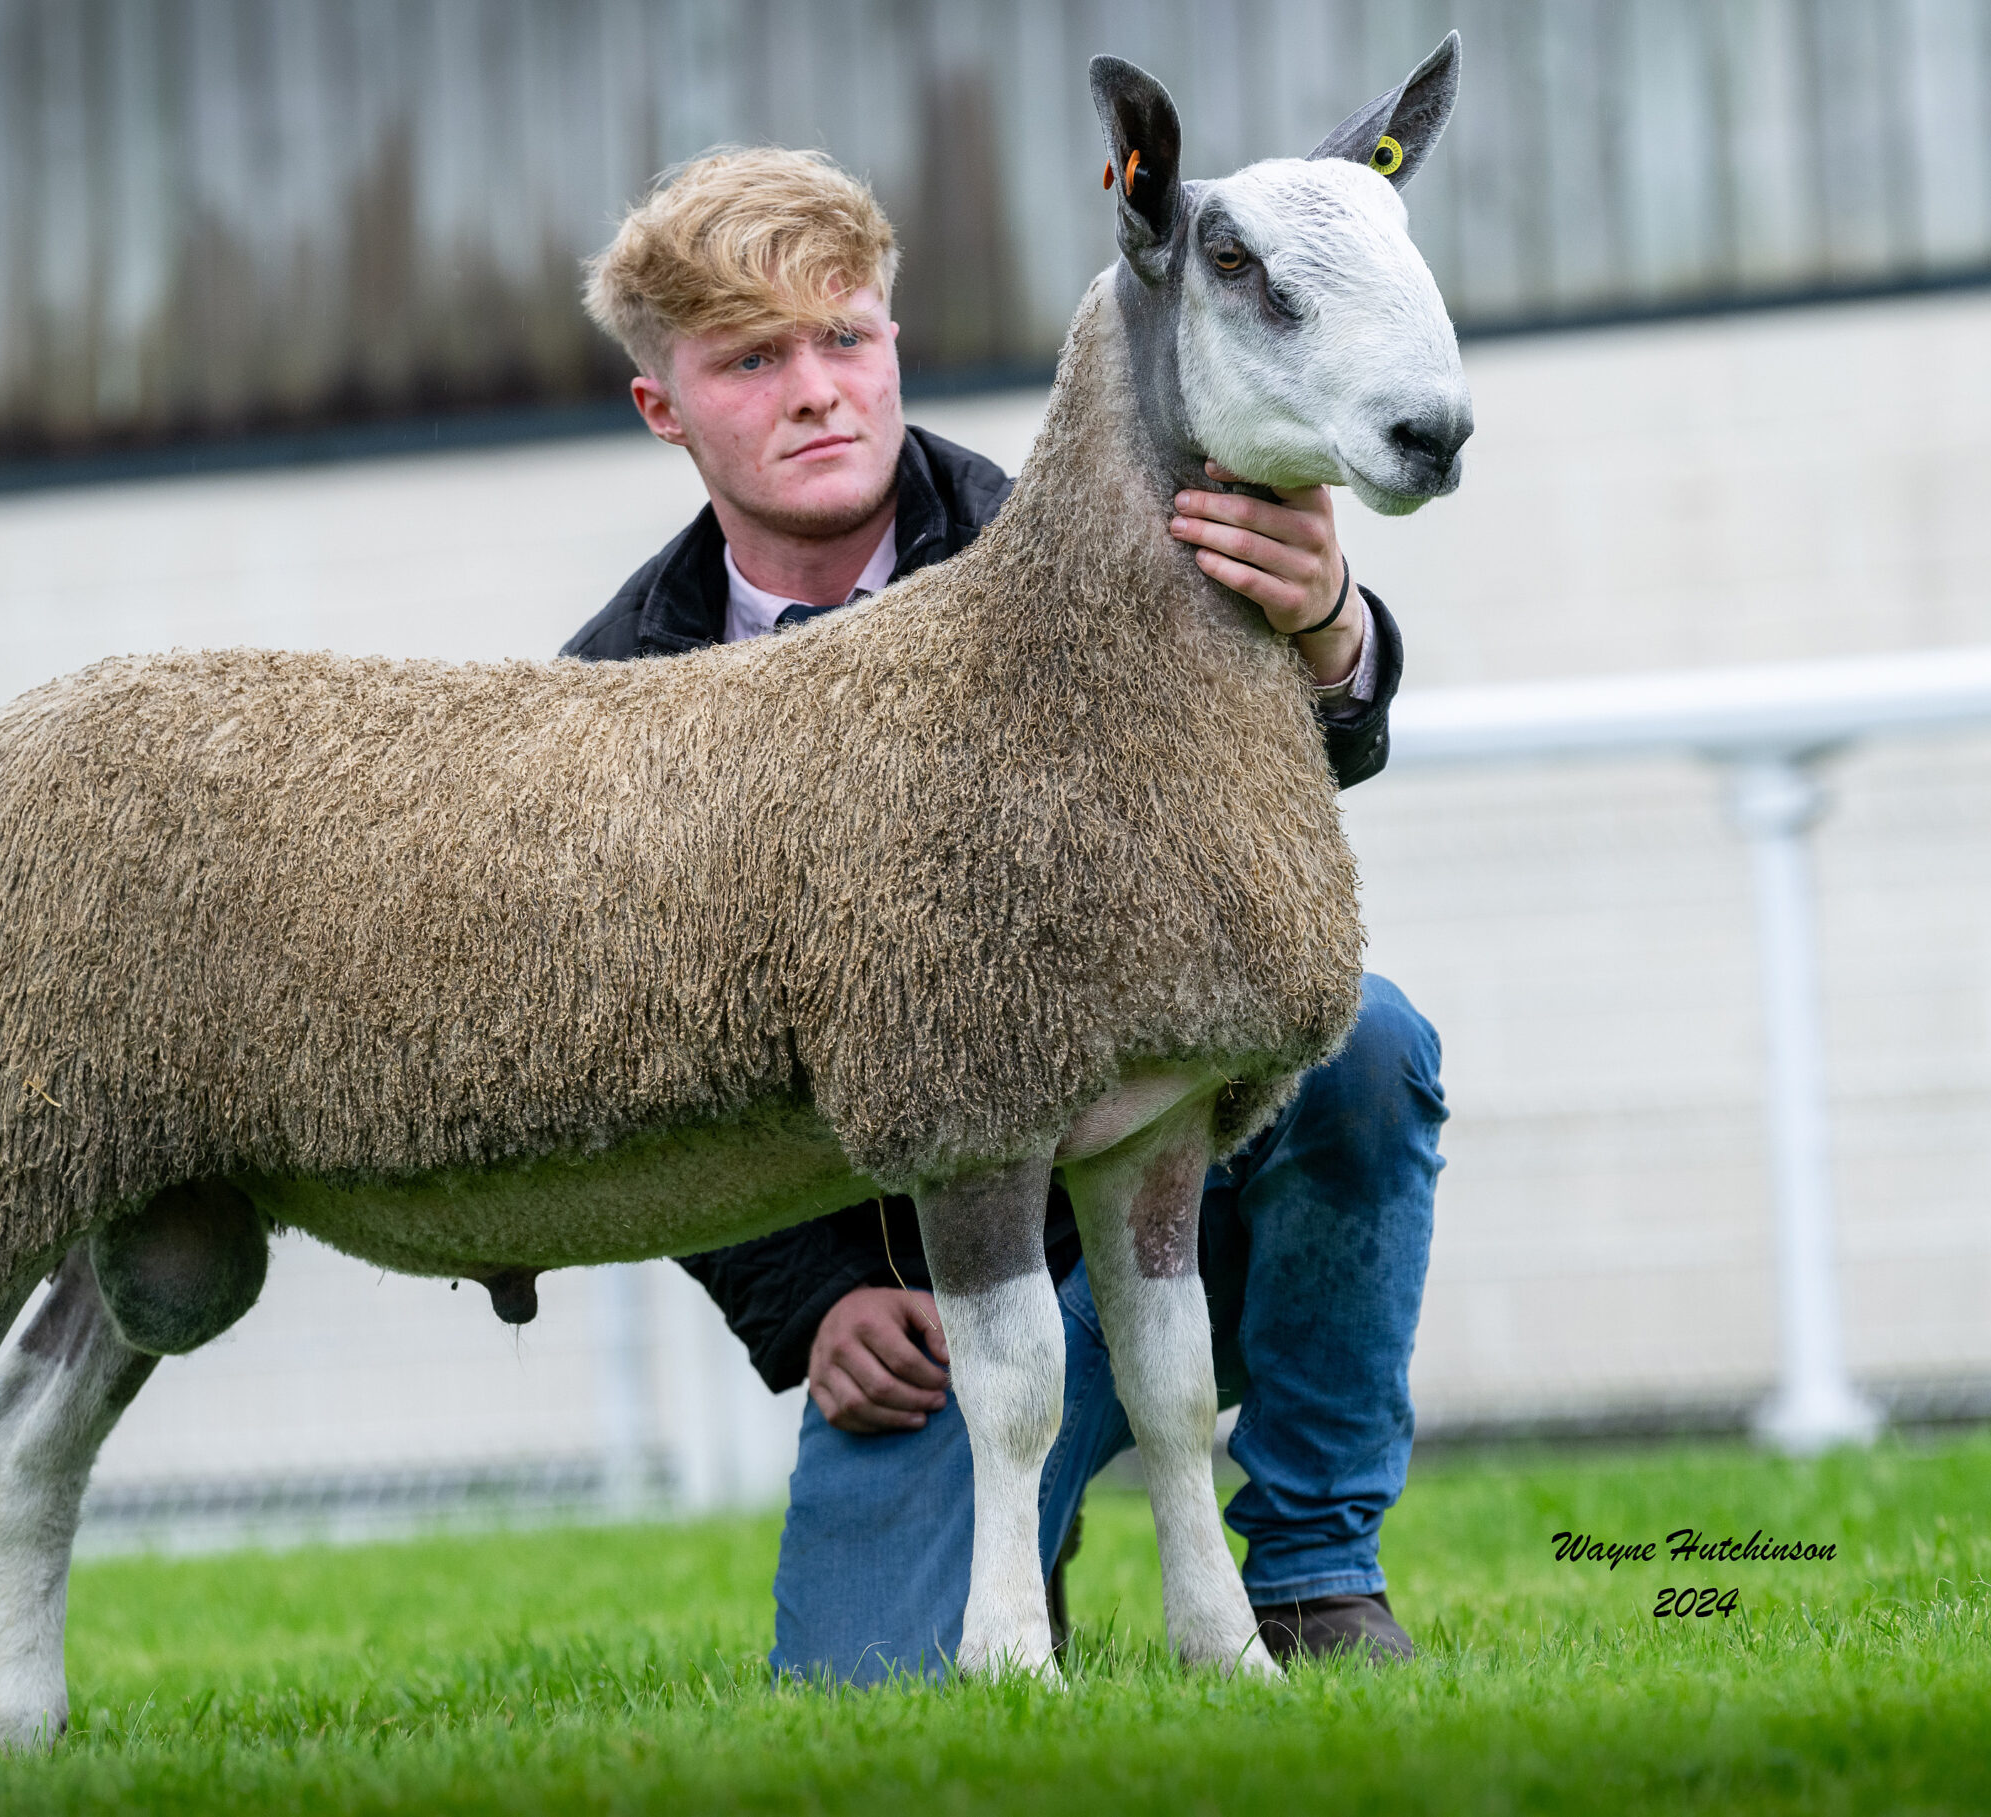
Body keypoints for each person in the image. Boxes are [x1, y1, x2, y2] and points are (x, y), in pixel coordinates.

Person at [561, 148, 1447, 1681]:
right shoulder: (620, 692)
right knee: (864, 1680)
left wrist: (1331, 621)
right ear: (666, 407)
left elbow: (1324, 764)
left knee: (1364, 1044)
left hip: (1167, 1210)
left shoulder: (1088, 526)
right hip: (916, 1289)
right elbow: (638, 1058)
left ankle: (1313, 1571)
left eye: (846, 337)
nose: (818, 389)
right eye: (754, 360)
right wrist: (808, 1304)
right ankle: (1017, 1528)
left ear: (895, 341)